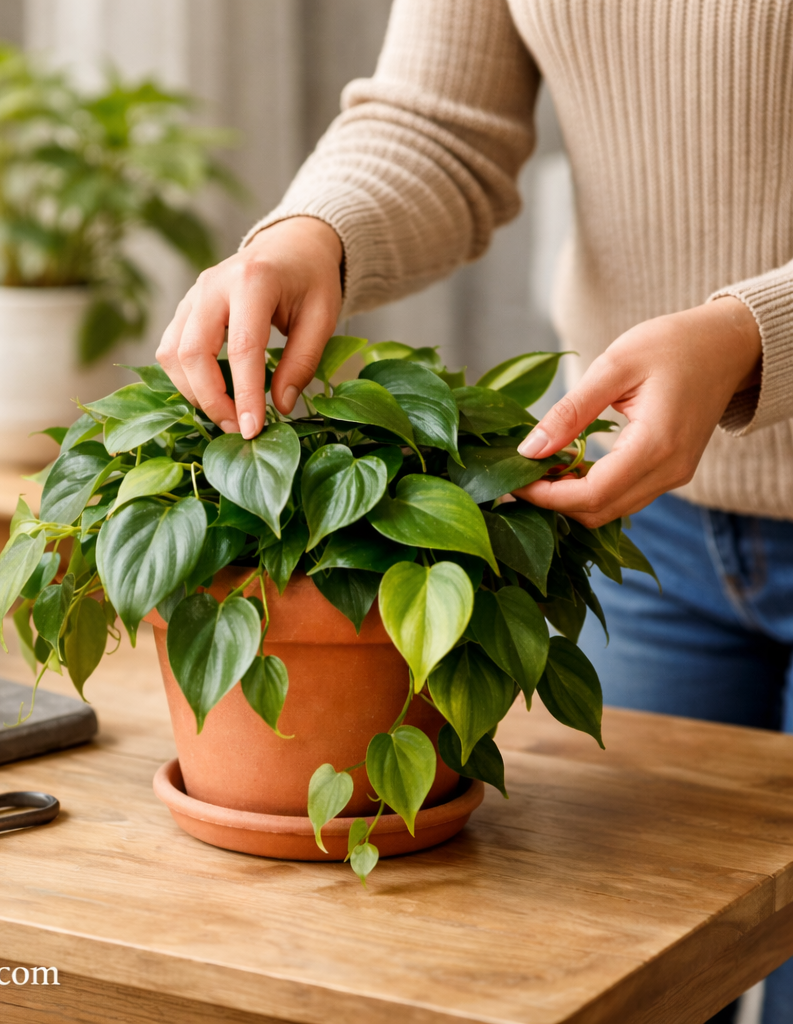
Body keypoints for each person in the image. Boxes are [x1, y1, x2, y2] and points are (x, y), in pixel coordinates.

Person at [156, 3, 793, 1020]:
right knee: (629, 973)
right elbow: (442, 119)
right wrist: (310, 235)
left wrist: (753, 336)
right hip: (639, 520)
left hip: (641, 478)